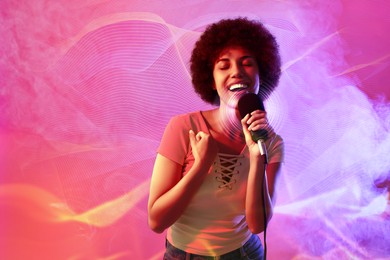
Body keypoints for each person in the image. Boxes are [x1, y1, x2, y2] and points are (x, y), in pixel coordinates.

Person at [148, 17, 284, 259]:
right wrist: (201, 166)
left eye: (247, 63)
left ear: (261, 74)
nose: (237, 72)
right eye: (224, 65)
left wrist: (256, 157)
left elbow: (257, 225)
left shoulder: (271, 142)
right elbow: (157, 221)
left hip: (245, 253)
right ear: (211, 80)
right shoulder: (183, 128)